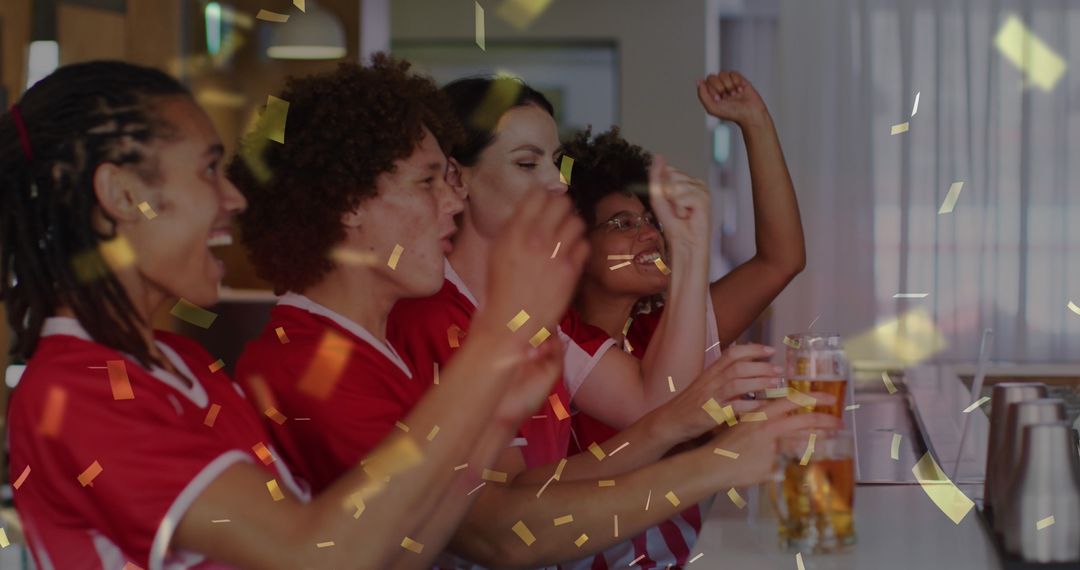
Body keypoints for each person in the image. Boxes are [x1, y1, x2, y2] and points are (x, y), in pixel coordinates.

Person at [1, 59, 571, 570]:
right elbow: (312, 553)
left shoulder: (184, 361)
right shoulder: (74, 392)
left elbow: (385, 553)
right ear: (122, 194)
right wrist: (488, 355)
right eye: (206, 171)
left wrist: (487, 418)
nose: (235, 199)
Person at [386, 75, 836, 568]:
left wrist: (688, 249)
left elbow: (654, 404)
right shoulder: (435, 315)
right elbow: (502, 528)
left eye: (554, 163)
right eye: (526, 163)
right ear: (458, 178)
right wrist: (714, 459)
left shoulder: (538, 316)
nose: (558, 183)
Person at [559, 70, 807, 568]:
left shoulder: (658, 330)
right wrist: (692, 250)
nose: (650, 234)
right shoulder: (561, 338)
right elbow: (662, 412)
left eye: (651, 220)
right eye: (622, 224)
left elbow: (781, 260)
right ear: (576, 247)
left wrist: (754, 123)